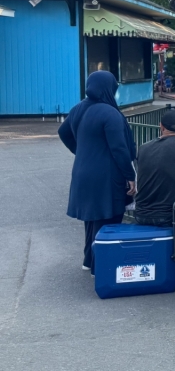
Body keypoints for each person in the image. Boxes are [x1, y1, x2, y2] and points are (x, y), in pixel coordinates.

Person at [57, 71, 137, 274]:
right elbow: (119, 150)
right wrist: (130, 176)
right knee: (108, 217)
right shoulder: (109, 113)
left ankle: (88, 259)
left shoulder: (78, 108)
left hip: (83, 171)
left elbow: (63, 132)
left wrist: (81, 151)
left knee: (92, 218)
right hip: (106, 175)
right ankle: (100, 264)